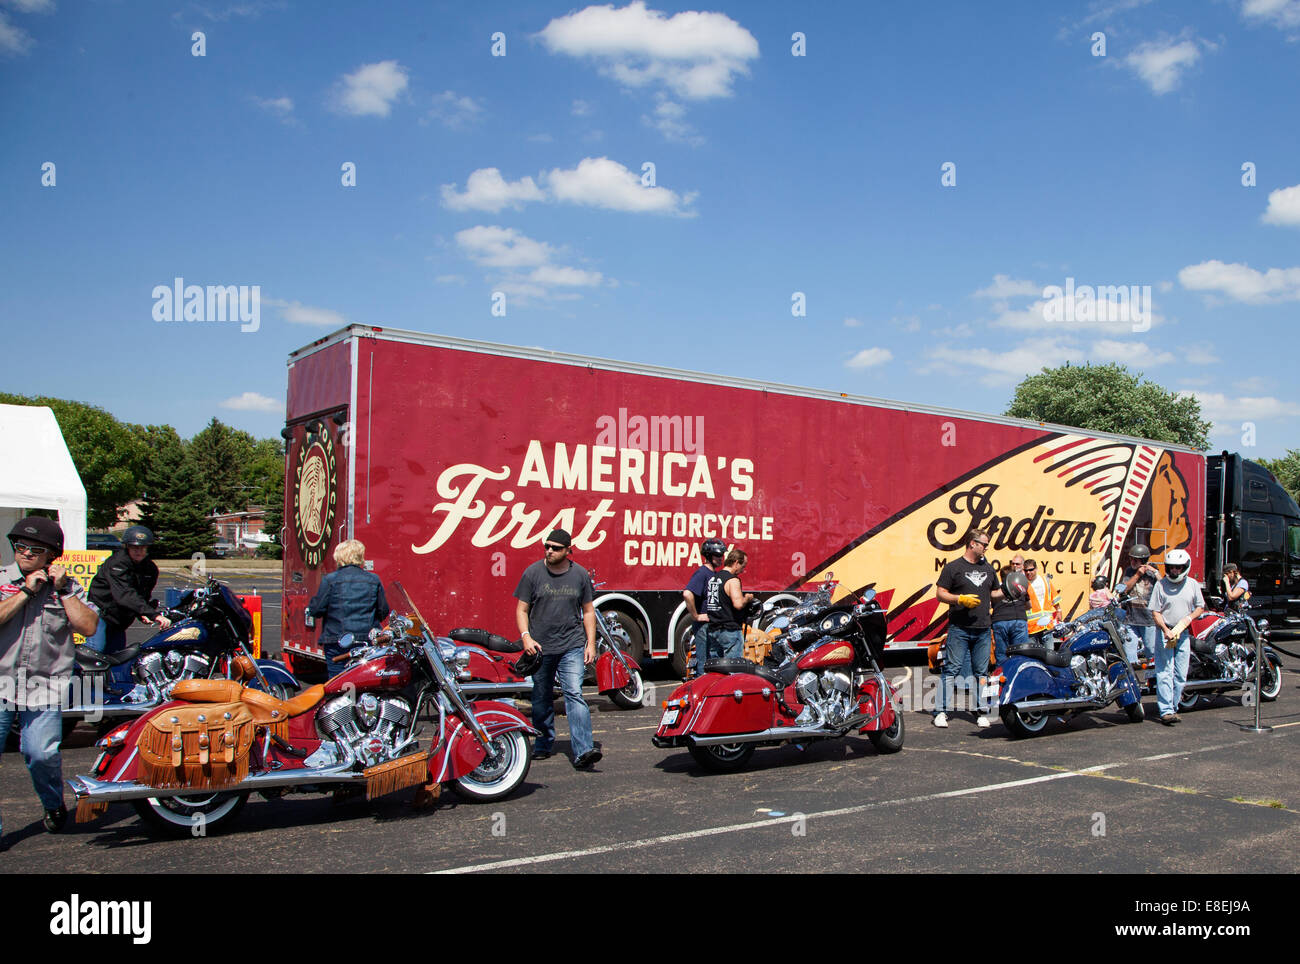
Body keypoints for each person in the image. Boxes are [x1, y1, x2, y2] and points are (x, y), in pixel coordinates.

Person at [0, 516, 99, 848]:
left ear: (51, 554)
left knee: (40, 754)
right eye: (21, 547)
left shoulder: (69, 587)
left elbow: (88, 627)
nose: (26, 553)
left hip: (44, 685)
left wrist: (65, 591)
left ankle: (53, 803)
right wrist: (26, 591)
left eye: (35, 549)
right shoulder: (2, 580)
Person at [515, 528, 601, 769]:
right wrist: (526, 638)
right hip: (540, 647)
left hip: (571, 645)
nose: (549, 551)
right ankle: (542, 744)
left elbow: (588, 611)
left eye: (555, 548)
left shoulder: (580, 575)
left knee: (574, 693)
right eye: (547, 546)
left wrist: (590, 644)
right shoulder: (533, 573)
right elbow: (521, 609)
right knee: (541, 696)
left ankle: (584, 750)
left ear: (567, 550)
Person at [934, 528, 1002, 729]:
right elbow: (940, 593)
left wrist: (1009, 590)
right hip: (960, 629)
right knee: (951, 670)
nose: (986, 548)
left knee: (981, 673)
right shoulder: (953, 567)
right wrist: (959, 599)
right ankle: (940, 712)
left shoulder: (988, 569)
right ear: (972, 543)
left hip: (983, 629)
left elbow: (995, 592)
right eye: (984, 544)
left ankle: (981, 711)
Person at [307, 539, 390, 678]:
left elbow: (316, 610)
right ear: (360, 556)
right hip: (366, 640)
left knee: (338, 682)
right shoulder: (373, 579)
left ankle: (344, 698)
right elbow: (383, 611)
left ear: (339, 556)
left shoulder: (330, 580)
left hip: (336, 640)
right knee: (365, 680)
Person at [86, 525, 170, 655]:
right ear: (127, 547)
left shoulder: (150, 569)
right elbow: (124, 594)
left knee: (117, 655)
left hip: (120, 617)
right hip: (100, 610)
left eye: (142, 547)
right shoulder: (117, 563)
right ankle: (75, 675)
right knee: (95, 653)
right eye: (134, 547)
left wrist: (143, 613)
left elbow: (142, 595)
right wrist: (153, 614)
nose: (139, 551)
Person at [1148, 548, 1204, 725]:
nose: (1175, 571)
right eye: (1172, 567)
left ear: (1185, 567)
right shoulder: (1161, 585)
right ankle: (1165, 710)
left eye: (1178, 568)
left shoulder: (1193, 584)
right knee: (1165, 671)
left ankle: (1173, 706)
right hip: (1166, 632)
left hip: (1183, 632)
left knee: (1180, 674)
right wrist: (1165, 628)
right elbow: (1155, 611)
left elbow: (1200, 607)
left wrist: (1189, 618)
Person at [683, 538, 726, 675]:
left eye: (722, 555)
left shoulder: (713, 574)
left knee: (714, 661)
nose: (721, 558)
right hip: (704, 627)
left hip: (713, 625)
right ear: (708, 555)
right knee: (704, 663)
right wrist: (696, 616)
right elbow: (687, 593)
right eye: (718, 555)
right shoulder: (702, 573)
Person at [703, 549, 754, 662]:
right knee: (733, 669)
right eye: (743, 566)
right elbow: (738, 604)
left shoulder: (713, 579)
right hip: (729, 630)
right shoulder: (733, 580)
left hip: (713, 630)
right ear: (736, 563)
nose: (743, 570)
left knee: (716, 670)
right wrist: (747, 598)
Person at [1120, 544, 1160, 666]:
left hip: (1148, 619)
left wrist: (1155, 571)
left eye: (1135, 560)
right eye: (1131, 558)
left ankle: (1151, 677)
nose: (1132, 561)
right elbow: (1124, 589)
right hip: (1131, 618)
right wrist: (1137, 574)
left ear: (1143, 560)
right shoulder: (1129, 572)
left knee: (1151, 650)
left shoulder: (1152, 573)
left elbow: (1164, 585)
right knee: (1129, 651)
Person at [990, 554, 1030, 668]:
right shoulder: (1020, 586)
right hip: (1018, 620)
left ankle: (1002, 680)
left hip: (999, 621)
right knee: (1020, 654)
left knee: (1002, 655)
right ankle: (1019, 678)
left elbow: (990, 604)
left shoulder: (996, 590)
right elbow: (1028, 605)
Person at [1023, 558, 1061, 646]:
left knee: (1049, 654)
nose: (1028, 572)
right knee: (1034, 656)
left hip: (1046, 625)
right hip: (1031, 628)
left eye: (1031, 570)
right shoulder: (1023, 583)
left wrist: (1058, 610)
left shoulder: (1045, 581)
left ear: (1036, 569)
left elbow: (1054, 596)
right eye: (1026, 570)